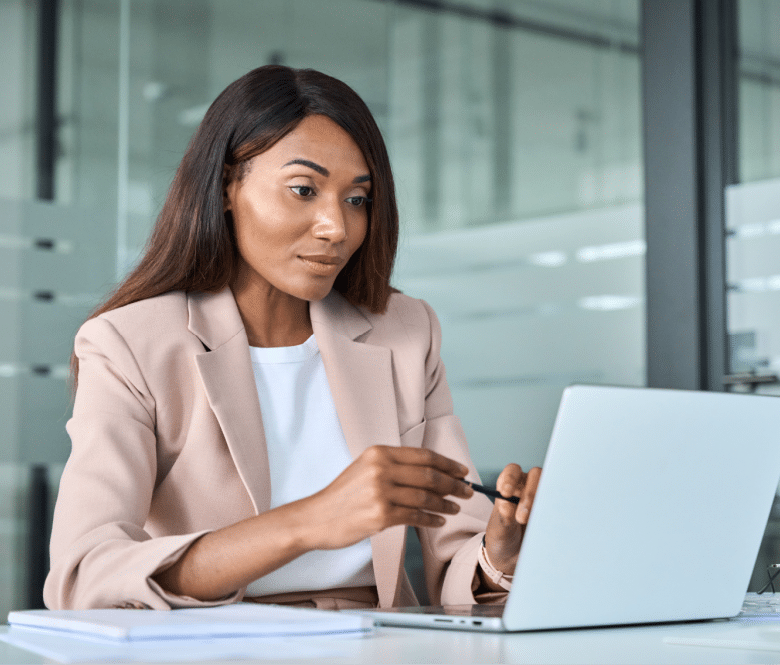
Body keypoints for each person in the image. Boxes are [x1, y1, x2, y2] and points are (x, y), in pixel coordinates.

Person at [44, 65, 542, 611]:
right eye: (304, 190)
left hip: (378, 644)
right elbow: (83, 577)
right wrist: (311, 520)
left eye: (357, 199)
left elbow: (454, 565)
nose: (337, 227)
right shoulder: (129, 344)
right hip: (215, 646)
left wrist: (497, 556)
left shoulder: (407, 332)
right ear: (228, 186)